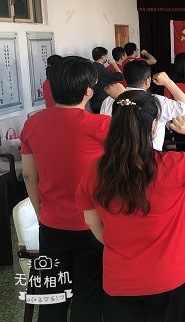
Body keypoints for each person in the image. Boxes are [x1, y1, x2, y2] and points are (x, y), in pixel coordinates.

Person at [76, 90, 185, 322]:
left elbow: (95, 226)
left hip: (119, 280)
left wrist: (121, 243)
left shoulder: (93, 170)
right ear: (153, 127)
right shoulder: (174, 165)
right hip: (168, 277)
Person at [21, 56, 110, 322]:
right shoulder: (102, 125)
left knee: (53, 295)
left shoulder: (32, 123)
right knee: (88, 295)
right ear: (88, 91)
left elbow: (28, 174)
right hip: (92, 226)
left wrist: (41, 213)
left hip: (51, 225)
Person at [100, 61, 185, 151]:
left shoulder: (108, 100)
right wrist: (168, 82)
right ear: (147, 81)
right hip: (149, 156)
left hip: (117, 154)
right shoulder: (157, 102)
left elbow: (103, 129)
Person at [89, 46, 124, 114]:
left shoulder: (90, 67)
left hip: (93, 101)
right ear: (103, 57)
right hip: (101, 101)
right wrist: (114, 64)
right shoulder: (102, 70)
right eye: (106, 56)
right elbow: (120, 76)